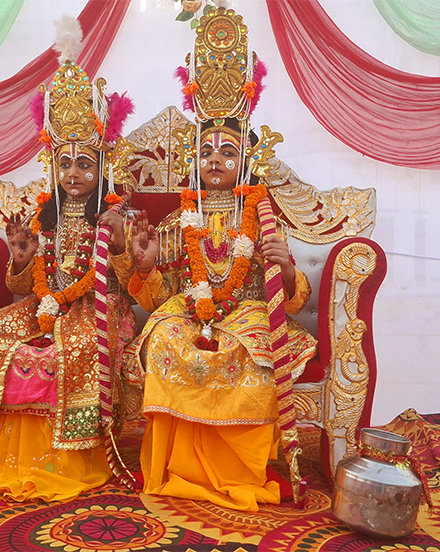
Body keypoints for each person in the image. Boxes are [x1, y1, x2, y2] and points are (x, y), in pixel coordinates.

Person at [0, 20, 139, 503]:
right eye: (65, 163)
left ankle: (71, 457)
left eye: (84, 163)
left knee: (74, 354)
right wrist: (22, 260)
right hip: (44, 305)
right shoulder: (39, 214)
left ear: (102, 167)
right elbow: (24, 286)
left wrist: (114, 249)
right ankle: (4, 451)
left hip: (98, 310)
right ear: (53, 166)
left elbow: (128, 281)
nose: (73, 173)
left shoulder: (115, 217)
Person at [126, 7, 316, 512]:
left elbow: (290, 298)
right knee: (165, 338)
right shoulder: (177, 221)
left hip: (249, 311)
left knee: (248, 354)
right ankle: (176, 466)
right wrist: (145, 266)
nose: (215, 160)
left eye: (227, 152)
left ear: (244, 161)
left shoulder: (263, 212)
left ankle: (237, 469)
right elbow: (159, 293)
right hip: (191, 309)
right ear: (194, 161)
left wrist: (290, 269)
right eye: (206, 151)